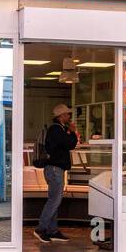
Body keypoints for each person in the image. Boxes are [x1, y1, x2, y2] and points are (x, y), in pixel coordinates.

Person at [35, 104, 78, 243]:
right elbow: (69, 144)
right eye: (67, 114)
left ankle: (52, 230)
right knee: (54, 200)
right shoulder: (56, 129)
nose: (69, 116)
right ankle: (41, 228)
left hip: (55, 169)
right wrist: (73, 132)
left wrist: (69, 131)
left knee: (54, 199)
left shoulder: (58, 129)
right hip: (54, 170)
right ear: (60, 116)